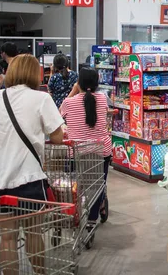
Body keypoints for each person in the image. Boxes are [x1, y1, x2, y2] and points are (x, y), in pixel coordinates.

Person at [0, 54, 64, 274]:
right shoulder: (41, 98)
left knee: (7, 237)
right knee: (33, 233)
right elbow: (58, 136)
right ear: (35, 74)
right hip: (27, 178)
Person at [60, 67, 112, 224]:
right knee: (98, 183)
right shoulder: (102, 98)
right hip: (101, 151)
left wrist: (74, 91)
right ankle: (93, 216)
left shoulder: (68, 102)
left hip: (77, 152)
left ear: (78, 83)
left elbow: (59, 115)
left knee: (79, 183)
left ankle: (80, 212)